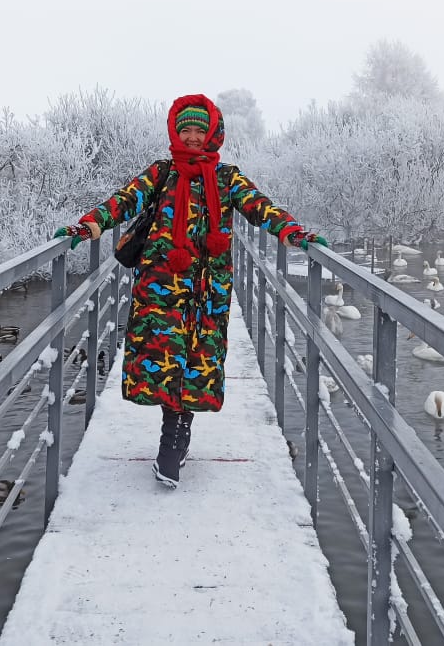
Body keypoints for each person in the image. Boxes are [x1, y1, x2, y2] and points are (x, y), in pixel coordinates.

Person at [54, 94, 326, 488]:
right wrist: (86, 226)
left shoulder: (227, 177)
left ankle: (175, 440)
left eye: (200, 130)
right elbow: (124, 201)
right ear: (176, 133)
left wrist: (292, 231)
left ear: (212, 133)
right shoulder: (162, 173)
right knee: (165, 357)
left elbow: (260, 206)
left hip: (208, 289)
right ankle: (173, 439)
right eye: (187, 130)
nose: (194, 137)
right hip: (161, 287)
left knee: (197, 361)